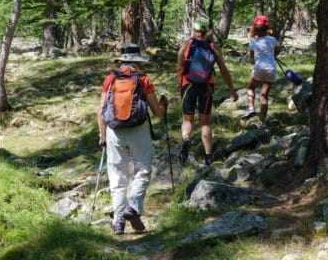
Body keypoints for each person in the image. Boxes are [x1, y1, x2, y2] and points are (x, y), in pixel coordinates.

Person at [97, 43, 168, 235]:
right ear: (138, 61)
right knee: (142, 169)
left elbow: (101, 111)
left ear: (121, 61)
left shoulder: (110, 79)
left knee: (117, 176)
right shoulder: (143, 79)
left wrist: (102, 136)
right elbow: (157, 112)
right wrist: (164, 105)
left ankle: (118, 222)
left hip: (114, 131)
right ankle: (133, 207)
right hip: (138, 130)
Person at [176, 17, 238, 166]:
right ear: (207, 31)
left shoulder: (185, 45)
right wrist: (232, 91)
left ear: (194, 30)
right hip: (206, 87)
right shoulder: (213, 47)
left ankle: (186, 139)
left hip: (188, 85)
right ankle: (208, 157)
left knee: (187, 120)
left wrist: (180, 86)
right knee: (205, 122)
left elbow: (179, 68)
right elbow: (224, 71)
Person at [242, 15, 280, 128]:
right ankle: (261, 123)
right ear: (267, 27)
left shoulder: (253, 42)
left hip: (258, 68)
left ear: (254, 28)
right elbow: (277, 52)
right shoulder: (273, 40)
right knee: (264, 96)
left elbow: (252, 60)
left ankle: (251, 108)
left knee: (250, 87)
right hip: (271, 69)